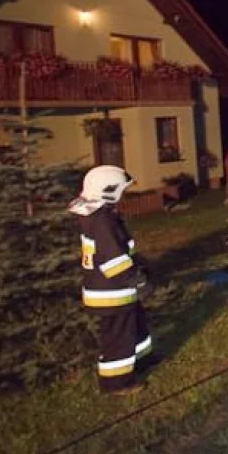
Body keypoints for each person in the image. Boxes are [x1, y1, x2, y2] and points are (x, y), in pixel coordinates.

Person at [68, 165, 154, 395]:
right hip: (112, 294)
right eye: (120, 190)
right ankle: (116, 383)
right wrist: (137, 280)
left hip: (112, 291)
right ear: (108, 191)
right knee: (119, 337)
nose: (123, 195)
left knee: (136, 325)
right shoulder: (102, 222)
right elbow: (113, 260)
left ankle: (143, 359)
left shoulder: (95, 216)